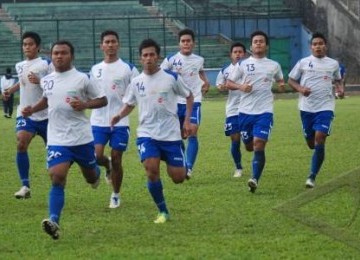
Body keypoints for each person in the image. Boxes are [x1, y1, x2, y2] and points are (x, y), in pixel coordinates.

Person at [22, 40, 107, 239]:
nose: (59, 56)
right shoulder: (47, 79)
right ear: (51, 56)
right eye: (56, 53)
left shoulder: (83, 78)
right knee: (57, 177)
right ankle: (54, 220)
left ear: (72, 56)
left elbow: (103, 99)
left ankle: (97, 171)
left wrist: (84, 104)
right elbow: (46, 99)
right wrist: (32, 109)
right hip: (57, 138)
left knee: (91, 177)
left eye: (63, 53)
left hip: (81, 138)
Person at [111, 38, 194, 224]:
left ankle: (183, 163)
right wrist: (118, 115)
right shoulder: (136, 82)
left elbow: (189, 96)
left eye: (152, 55)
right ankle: (163, 211)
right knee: (151, 170)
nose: (148, 58)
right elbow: (129, 104)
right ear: (140, 58)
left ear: (158, 57)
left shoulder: (171, 77)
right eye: (145, 55)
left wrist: (187, 121)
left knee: (178, 178)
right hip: (147, 134)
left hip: (171, 135)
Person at [226, 30, 285, 193]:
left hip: (265, 111)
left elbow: (280, 78)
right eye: (255, 41)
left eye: (261, 41)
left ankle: (254, 179)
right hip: (244, 112)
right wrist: (241, 87)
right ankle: (253, 169)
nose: (258, 43)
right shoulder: (243, 64)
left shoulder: (274, 65)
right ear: (251, 46)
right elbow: (229, 83)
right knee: (249, 147)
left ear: (266, 45)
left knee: (259, 144)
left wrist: (280, 85)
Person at [90, 30, 139, 209]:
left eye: (113, 42)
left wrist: (123, 113)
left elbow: (135, 95)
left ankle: (116, 194)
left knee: (118, 158)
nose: (110, 45)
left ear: (118, 44)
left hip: (120, 121)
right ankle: (107, 164)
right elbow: (90, 93)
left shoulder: (129, 68)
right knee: (96, 156)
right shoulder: (95, 70)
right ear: (101, 46)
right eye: (107, 42)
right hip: (98, 121)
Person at [288, 32, 344, 188]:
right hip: (306, 108)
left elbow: (338, 80)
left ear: (325, 46)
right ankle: (313, 147)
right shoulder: (303, 62)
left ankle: (311, 177)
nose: (318, 46)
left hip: (326, 107)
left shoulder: (333, 64)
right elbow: (291, 80)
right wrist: (300, 88)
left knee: (320, 138)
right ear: (311, 47)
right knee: (311, 143)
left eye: (320, 43)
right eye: (315, 44)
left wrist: (340, 89)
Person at [3, 32, 52, 199]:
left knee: (53, 150)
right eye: (24, 44)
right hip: (26, 113)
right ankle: (25, 186)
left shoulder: (46, 64)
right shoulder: (20, 65)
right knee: (21, 143)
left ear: (37, 46)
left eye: (30, 44)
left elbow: (55, 83)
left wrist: (40, 81)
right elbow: (22, 82)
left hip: (46, 115)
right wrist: (11, 90)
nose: (27, 47)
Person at [160, 28, 210, 179]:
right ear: (179, 44)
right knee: (179, 135)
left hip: (194, 100)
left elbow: (200, 72)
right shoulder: (170, 60)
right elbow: (160, 75)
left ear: (193, 43)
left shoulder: (199, 59)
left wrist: (206, 82)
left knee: (193, 131)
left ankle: (188, 168)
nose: (186, 43)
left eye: (188, 41)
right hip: (175, 103)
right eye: (183, 41)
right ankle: (181, 160)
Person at [216, 42, 247, 178]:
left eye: (240, 52)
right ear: (231, 55)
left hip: (249, 108)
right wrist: (221, 87)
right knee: (235, 138)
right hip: (233, 109)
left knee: (249, 142)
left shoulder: (251, 68)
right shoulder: (225, 70)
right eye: (235, 52)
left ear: (244, 54)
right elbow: (219, 84)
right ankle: (238, 167)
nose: (238, 54)